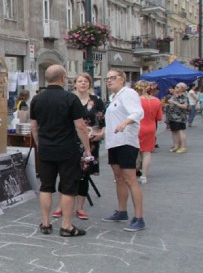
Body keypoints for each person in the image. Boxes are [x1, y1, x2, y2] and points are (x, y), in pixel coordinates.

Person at [29, 65, 92, 237]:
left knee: (46, 187)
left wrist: (39, 144)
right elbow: (80, 126)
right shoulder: (70, 99)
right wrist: (87, 149)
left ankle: (46, 223)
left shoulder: (37, 99)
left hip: (46, 149)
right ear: (63, 78)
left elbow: (34, 126)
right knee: (68, 187)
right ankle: (66, 226)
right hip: (67, 150)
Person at [52, 73, 105, 219]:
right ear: (74, 84)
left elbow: (102, 121)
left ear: (89, 84)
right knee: (65, 174)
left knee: (84, 176)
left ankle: (80, 207)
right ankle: (60, 205)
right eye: (80, 81)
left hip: (90, 142)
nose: (83, 83)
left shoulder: (96, 101)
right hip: (69, 141)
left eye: (86, 81)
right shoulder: (68, 98)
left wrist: (100, 133)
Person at [102, 69, 146, 232]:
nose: (109, 81)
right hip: (113, 142)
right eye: (107, 79)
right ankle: (122, 211)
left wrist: (125, 123)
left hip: (126, 142)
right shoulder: (114, 97)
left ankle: (139, 217)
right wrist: (102, 132)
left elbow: (138, 112)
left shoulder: (128, 93)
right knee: (118, 178)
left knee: (130, 179)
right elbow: (113, 120)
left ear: (122, 79)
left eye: (112, 78)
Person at [135, 81, 162, 184]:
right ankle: (144, 176)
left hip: (138, 127)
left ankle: (135, 169)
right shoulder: (157, 101)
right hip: (151, 127)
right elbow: (159, 117)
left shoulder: (137, 100)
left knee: (135, 150)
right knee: (147, 152)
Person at [166, 83, 190, 153]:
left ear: (182, 89)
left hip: (179, 117)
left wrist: (175, 103)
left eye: (177, 87)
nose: (175, 88)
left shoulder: (184, 96)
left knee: (180, 131)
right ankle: (176, 145)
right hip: (172, 116)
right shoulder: (173, 95)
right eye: (175, 86)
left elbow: (185, 106)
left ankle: (183, 146)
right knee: (174, 131)